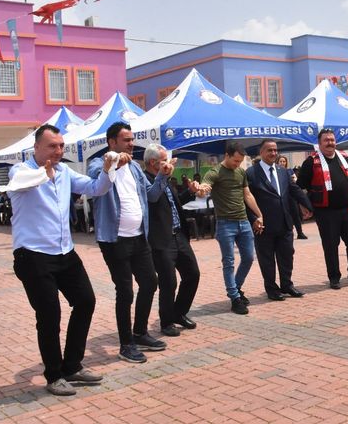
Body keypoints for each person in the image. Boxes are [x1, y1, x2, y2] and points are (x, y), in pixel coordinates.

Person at [8, 124, 114, 395]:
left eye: (60, 146)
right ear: (36, 148)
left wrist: (108, 167)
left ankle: (72, 366)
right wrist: (45, 172)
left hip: (65, 252)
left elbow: (95, 188)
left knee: (86, 301)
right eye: (52, 146)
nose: (58, 151)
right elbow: (22, 184)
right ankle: (54, 375)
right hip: (33, 255)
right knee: (49, 315)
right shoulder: (21, 171)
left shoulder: (65, 171)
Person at [88, 122, 168, 363]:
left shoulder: (134, 167)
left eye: (132, 139)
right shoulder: (96, 164)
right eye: (126, 140)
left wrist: (163, 177)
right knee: (125, 291)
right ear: (112, 142)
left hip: (138, 237)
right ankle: (126, 344)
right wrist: (112, 162)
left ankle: (140, 332)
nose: (132, 144)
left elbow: (152, 195)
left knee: (150, 282)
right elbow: (95, 178)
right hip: (115, 240)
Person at [190, 141, 265, 315]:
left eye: (240, 161)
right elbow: (203, 191)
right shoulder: (214, 172)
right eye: (235, 161)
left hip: (244, 221)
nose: (237, 164)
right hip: (225, 224)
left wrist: (259, 214)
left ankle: (236, 289)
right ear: (227, 155)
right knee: (229, 262)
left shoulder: (240, 172)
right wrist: (199, 189)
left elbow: (247, 194)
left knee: (248, 258)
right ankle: (234, 298)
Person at [296, 129, 348, 289]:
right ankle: (334, 277)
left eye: (332, 140)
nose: (330, 143)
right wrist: (304, 207)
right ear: (319, 144)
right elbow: (300, 187)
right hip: (325, 212)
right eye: (326, 140)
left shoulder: (344, 157)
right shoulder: (311, 162)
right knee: (330, 245)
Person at [143, 144, 201, 337]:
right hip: (161, 239)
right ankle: (166, 322)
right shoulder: (145, 180)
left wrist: (190, 191)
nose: (168, 164)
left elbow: (173, 204)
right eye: (164, 160)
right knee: (168, 282)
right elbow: (153, 199)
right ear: (153, 162)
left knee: (192, 274)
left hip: (179, 235)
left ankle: (178, 313)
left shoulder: (166, 178)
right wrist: (163, 176)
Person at [246, 140, 313, 300]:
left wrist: (308, 206)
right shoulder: (251, 173)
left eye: (275, 150)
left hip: (285, 222)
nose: (273, 153)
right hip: (263, 225)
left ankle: (287, 285)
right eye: (269, 150)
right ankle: (271, 289)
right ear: (261, 152)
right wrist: (254, 219)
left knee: (287, 256)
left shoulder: (283, 171)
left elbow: (294, 190)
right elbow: (246, 199)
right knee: (267, 259)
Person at [278, 154, 307, 240]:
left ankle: (300, 233)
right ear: (277, 162)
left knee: (296, 215)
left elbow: (295, 181)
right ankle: (286, 232)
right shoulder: (275, 171)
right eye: (281, 161)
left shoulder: (289, 171)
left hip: (291, 196)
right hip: (281, 197)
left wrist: (293, 179)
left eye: (284, 161)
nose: (282, 163)